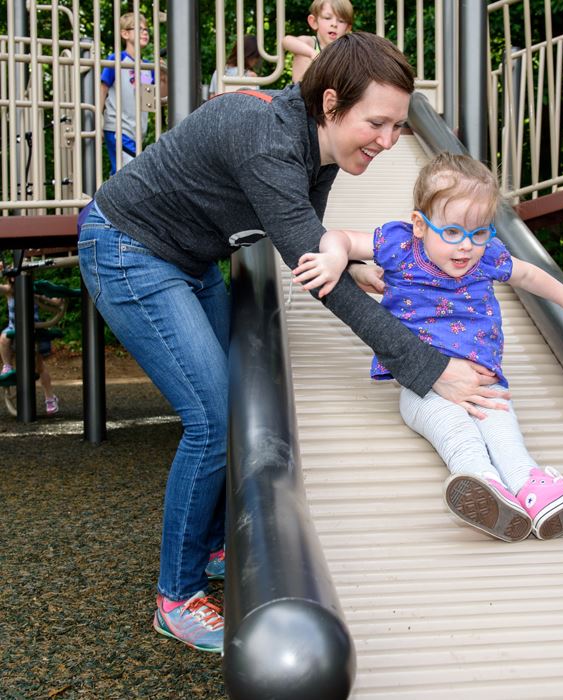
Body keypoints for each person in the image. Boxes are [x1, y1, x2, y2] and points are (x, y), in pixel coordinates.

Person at [78, 33, 502, 654]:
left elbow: (308, 239)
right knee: (213, 416)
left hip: (192, 259)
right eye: (376, 124)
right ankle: (177, 596)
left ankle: (215, 543)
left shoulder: (321, 149)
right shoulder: (267, 144)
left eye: (396, 126)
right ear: (331, 104)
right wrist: (429, 367)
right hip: (129, 250)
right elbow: (319, 283)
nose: (388, 142)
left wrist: (348, 260)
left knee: (231, 400)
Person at [293, 151, 563, 543]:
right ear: (419, 225)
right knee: (459, 435)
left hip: (483, 379)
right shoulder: (399, 246)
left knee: (504, 434)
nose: (465, 247)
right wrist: (334, 258)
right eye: (451, 233)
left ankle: (534, 492)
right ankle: (484, 489)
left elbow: (529, 274)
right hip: (422, 383)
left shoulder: (486, 259)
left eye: (478, 233)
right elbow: (342, 237)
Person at [100, 12, 167, 175]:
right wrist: (98, 120)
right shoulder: (116, 59)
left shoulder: (147, 67)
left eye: (146, 30)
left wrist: (163, 76)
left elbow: (154, 99)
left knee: (122, 173)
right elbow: (102, 89)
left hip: (137, 131)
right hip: (117, 127)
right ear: (125, 33)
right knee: (132, 172)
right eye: (139, 29)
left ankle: (105, 200)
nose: (145, 32)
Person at [0, 272, 59, 416]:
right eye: (14, 275)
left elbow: (54, 301)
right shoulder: (9, 291)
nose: (16, 277)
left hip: (33, 331)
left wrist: (58, 298)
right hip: (14, 329)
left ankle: (50, 397)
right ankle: (7, 365)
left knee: (39, 367)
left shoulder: (33, 291)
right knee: (4, 337)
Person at [282, 0, 353, 82]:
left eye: (341, 21)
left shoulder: (345, 51)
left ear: (347, 28)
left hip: (328, 92)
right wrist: (312, 53)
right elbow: (286, 40)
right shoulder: (311, 43)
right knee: (303, 53)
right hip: (298, 92)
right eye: (327, 18)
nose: (334, 24)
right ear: (314, 22)